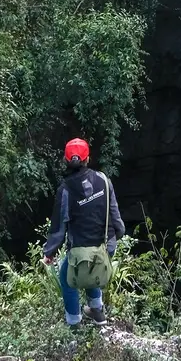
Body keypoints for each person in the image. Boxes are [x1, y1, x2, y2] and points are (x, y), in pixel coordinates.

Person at [42, 138, 125, 327]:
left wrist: (50, 252)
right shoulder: (104, 180)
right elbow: (114, 212)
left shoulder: (66, 190)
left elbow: (58, 226)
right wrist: (118, 233)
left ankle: (74, 325)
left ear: (65, 159)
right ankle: (97, 312)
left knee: (68, 280)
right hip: (106, 244)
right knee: (92, 265)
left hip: (81, 250)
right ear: (88, 158)